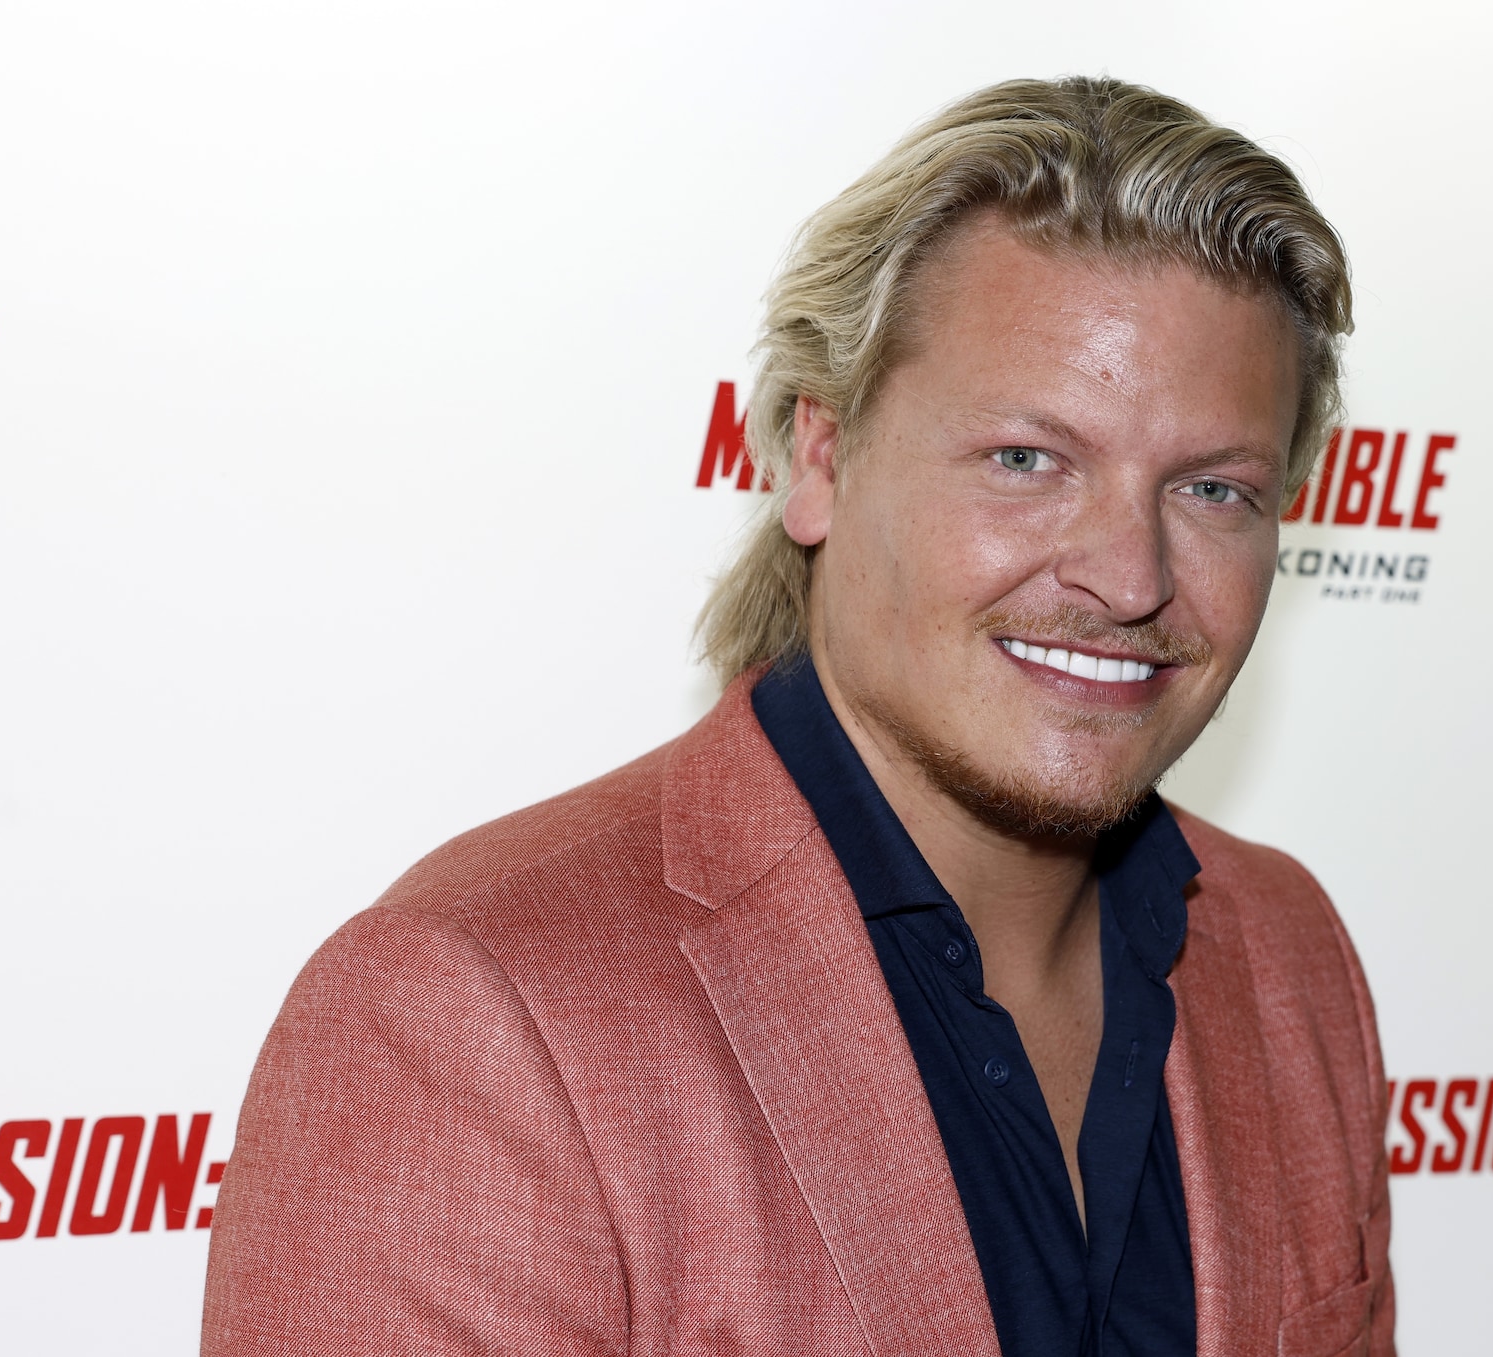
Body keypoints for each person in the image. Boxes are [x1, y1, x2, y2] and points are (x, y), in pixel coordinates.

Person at [203, 75, 1393, 1357]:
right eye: (1025, 460)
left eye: (1213, 490)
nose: (1129, 574)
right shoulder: (475, 1013)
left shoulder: (1289, 956)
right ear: (820, 458)